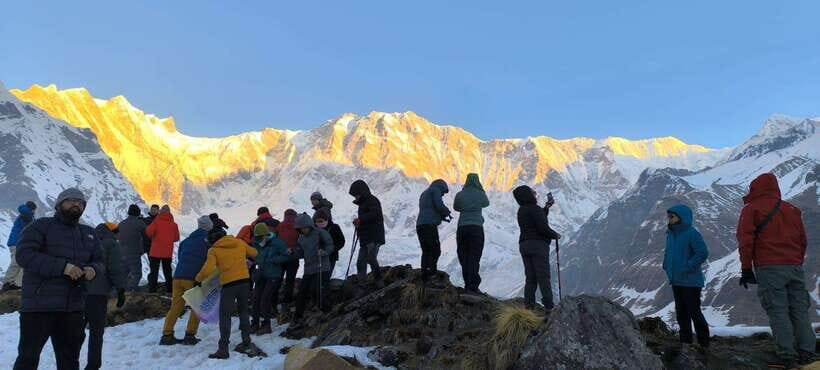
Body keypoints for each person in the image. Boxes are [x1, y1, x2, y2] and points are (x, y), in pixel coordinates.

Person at [13, 188, 103, 370]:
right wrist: (64, 267)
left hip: (73, 308)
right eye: (70, 200)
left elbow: (100, 261)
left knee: (69, 361)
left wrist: (93, 269)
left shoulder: (88, 233)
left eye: (80, 202)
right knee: (28, 359)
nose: (76, 204)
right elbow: (24, 255)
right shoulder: (40, 226)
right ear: (59, 204)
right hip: (38, 307)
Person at [736, 173, 815, 368]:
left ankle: (788, 356)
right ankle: (808, 352)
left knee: (778, 310)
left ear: (756, 189)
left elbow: (745, 241)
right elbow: (802, 240)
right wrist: (796, 261)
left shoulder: (751, 209)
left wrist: (746, 268)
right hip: (795, 267)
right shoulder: (792, 209)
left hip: (769, 268)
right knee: (799, 310)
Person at [195, 229, 264, 359]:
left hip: (229, 285)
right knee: (243, 311)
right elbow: (255, 253)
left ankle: (223, 349)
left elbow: (208, 269)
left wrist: (198, 279)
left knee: (225, 315)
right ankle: (246, 341)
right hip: (244, 282)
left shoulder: (213, 250)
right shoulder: (239, 242)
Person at [662, 204, 710, 349]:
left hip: (690, 281)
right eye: (668, 216)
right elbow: (668, 252)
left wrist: (688, 266)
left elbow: (702, 252)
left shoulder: (691, 233)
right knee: (681, 312)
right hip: (676, 280)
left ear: (681, 217)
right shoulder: (670, 233)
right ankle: (685, 342)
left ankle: (704, 343)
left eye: (672, 216)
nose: (669, 219)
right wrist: (665, 264)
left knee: (694, 312)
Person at [160, 216, 212, 346]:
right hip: (193, 278)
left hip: (177, 277)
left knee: (176, 306)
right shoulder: (208, 242)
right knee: (197, 307)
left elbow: (180, 256)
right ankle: (190, 335)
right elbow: (209, 262)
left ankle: (167, 335)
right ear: (208, 226)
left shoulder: (186, 241)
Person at [84, 222, 128, 370]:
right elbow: (115, 268)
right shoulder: (112, 244)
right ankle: (93, 365)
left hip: (80, 291)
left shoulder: (87, 239)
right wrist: (121, 289)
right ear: (113, 233)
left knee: (76, 331)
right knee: (96, 332)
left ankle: (71, 363)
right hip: (98, 293)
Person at [512, 185, 560, 312]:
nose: (535, 195)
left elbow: (534, 219)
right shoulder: (535, 209)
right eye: (532, 193)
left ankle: (529, 306)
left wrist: (546, 208)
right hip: (538, 246)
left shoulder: (521, 211)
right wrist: (555, 235)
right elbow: (542, 228)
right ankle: (549, 305)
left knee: (531, 277)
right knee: (543, 276)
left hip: (524, 245)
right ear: (528, 195)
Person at [250, 223, 293, 335]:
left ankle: (266, 325)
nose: (259, 239)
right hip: (261, 274)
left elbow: (287, 256)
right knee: (255, 299)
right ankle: (254, 323)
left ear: (266, 234)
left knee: (265, 299)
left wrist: (274, 260)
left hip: (274, 275)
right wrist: (252, 262)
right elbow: (258, 257)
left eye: (260, 237)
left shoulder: (277, 243)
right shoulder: (257, 243)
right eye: (257, 237)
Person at [293, 213, 334, 322]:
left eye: (304, 228)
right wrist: (294, 252)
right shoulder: (301, 238)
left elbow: (330, 245)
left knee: (320, 290)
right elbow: (301, 253)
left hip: (322, 267)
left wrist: (324, 252)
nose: (302, 230)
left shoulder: (321, 233)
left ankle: (326, 311)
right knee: (302, 292)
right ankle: (298, 315)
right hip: (309, 268)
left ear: (309, 226)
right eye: (300, 229)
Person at [453, 173, 490, 294]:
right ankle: (473, 285)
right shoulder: (480, 194)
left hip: (462, 227)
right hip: (476, 228)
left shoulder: (460, 194)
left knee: (464, 255)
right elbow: (486, 203)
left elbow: (456, 207)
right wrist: (481, 189)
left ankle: (467, 284)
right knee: (474, 256)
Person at [349, 180, 386, 286]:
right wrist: (359, 226)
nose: (355, 197)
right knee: (361, 261)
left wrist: (361, 220)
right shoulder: (363, 204)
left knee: (370, 258)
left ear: (361, 192)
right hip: (366, 238)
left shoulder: (372, 201)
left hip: (374, 236)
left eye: (356, 195)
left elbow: (374, 214)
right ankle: (362, 284)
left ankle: (378, 281)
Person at [416, 179, 452, 282]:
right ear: (441, 187)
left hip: (420, 225)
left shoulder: (424, 193)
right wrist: (446, 212)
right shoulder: (435, 190)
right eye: (443, 192)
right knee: (435, 249)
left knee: (426, 250)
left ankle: (424, 275)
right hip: (429, 225)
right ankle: (432, 274)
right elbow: (439, 205)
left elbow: (428, 209)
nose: (443, 195)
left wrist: (441, 217)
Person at [2, 201, 36, 291]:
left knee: (22, 264)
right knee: (16, 263)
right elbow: (27, 215)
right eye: (34, 210)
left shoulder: (27, 216)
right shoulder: (26, 215)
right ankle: (7, 283)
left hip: (19, 242)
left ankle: (15, 284)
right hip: (17, 243)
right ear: (32, 209)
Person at [146, 205, 180, 293]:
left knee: (154, 272)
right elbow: (176, 238)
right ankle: (170, 290)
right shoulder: (174, 225)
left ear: (160, 212)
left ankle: (152, 290)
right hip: (167, 252)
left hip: (155, 252)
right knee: (167, 271)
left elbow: (149, 233)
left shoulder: (156, 222)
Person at [275, 209, 301, 307]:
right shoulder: (298, 226)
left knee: (278, 279)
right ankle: (287, 302)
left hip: (281, 257)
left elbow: (275, 241)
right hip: (293, 257)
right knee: (290, 280)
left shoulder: (279, 226)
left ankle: (274, 302)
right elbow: (300, 241)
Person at [118, 204, 146, 291]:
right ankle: (129, 291)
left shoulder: (121, 224)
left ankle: (119, 292)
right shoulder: (140, 223)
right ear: (138, 213)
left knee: (123, 274)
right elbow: (147, 233)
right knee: (137, 274)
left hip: (121, 253)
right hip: (134, 253)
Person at [314, 210, 344, 274]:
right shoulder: (314, 229)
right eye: (317, 222)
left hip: (331, 257)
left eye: (321, 221)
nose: (319, 223)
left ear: (326, 220)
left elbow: (341, 241)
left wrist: (332, 249)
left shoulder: (335, 227)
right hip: (317, 257)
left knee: (326, 276)